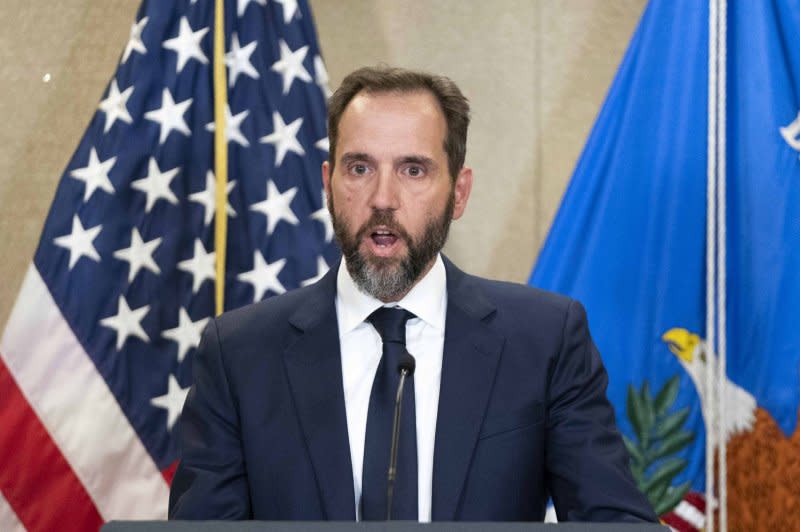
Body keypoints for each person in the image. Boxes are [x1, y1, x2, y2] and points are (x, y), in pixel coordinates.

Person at [169, 66, 658, 523]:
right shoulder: (239, 354)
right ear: (328, 184)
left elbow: (615, 521)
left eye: (413, 170)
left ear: (458, 193)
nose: (383, 198)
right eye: (359, 168)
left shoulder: (545, 340)